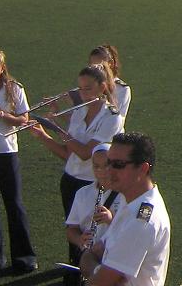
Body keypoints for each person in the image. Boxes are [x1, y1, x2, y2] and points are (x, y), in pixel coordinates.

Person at [29, 64, 124, 278]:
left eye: (88, 88)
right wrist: (43, 136)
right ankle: (76, 273)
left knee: (98, 234)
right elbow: (67, 153)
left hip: (94, 184)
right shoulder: (79, 112)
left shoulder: (112, 117)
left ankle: (100, 275)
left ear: (102, 87)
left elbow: (85, 153)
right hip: (71, 180)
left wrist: (60, 131)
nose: (83, 94)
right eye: (81, 89)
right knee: (75, 234)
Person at [80, 132, 170, 286]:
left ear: (142, 169)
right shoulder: (128, 200)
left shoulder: (141, 221)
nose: (108, 170)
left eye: (118, 165)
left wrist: (93, 268)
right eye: (109, 162)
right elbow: (97, 251)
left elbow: (101, 282)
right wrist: (97, 269)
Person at [0, 46, 36, 273]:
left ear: (2, 67)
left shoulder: (14, 88)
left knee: (14, 204)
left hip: (6, 151)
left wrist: (1, 114)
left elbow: (24, 119)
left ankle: (24, 258)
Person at [65, 144, 124, 264]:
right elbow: (71, 230)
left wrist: (110, 220)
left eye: (106, 165)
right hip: (89, 256)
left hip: (114, 256)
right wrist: (80, 239)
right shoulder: (82, 193)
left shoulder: (125, 194)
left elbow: (132, 231)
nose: (101, 171)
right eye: (96, 166)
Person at [88, 46, 131, 125]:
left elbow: (115, 117)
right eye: (92, 67)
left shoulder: (122, 89)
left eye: (99, 66)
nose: (95, 71)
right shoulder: (87, 87)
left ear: (110, 63)